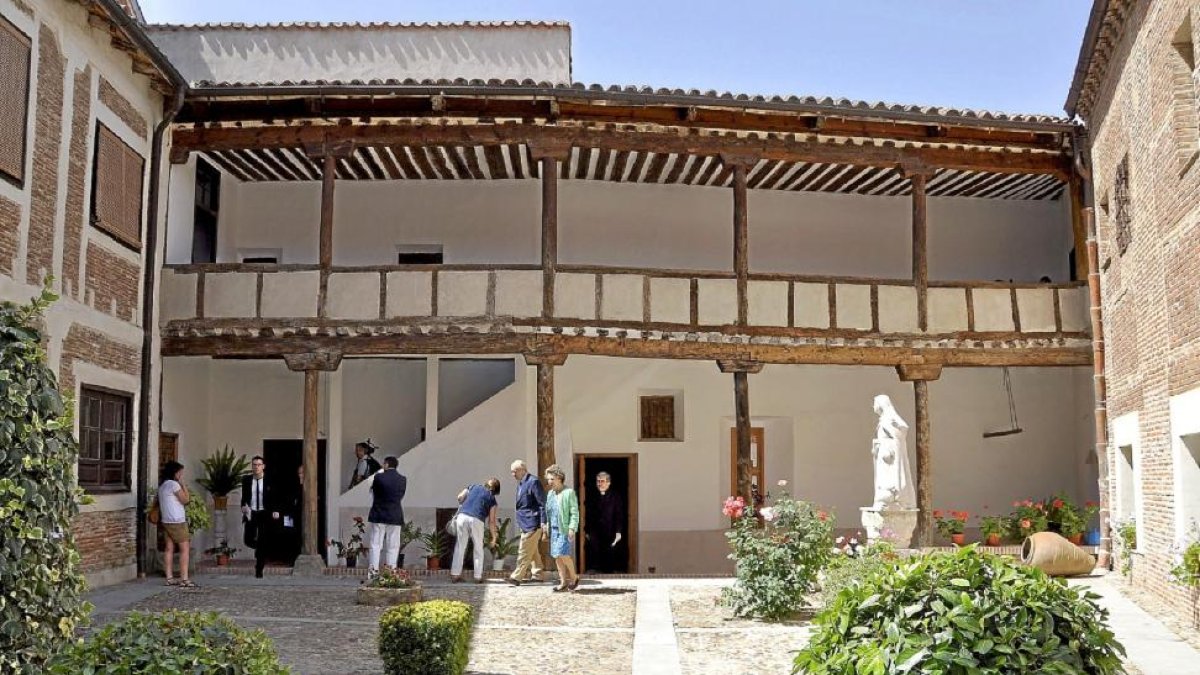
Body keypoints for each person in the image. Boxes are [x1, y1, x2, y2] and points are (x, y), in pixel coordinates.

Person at [451, 478, 499, 584]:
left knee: (460, 546)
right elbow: (491, 521)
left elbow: (459, 497)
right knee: (478, 548)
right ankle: (477, 577)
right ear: (495, 490)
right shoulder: (492, 499)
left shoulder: (473, 486)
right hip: (477, 520)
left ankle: (455, 574)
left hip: (462, 517)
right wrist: (494, 537)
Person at [506, 459, 546, 586]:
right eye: (512, 472)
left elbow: (542, 503)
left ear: (523, 469)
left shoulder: (533, 482)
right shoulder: (522, 483)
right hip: (525, 521)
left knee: (524, 550)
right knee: (532, 550)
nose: (513, 474)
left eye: (515, 471)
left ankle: (516, 577)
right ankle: (538, 574)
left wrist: (543, 522)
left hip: (532, 522)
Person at [241, 455, 280, 578]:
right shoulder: (246, 480)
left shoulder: (270, 480)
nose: (256, 467)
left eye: (259, 465)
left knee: (263, 540)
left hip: (264, 513)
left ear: (263, 466)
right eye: (254, 465)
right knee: (248, 539)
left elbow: (275, 497)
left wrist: (276, 510)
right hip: (251, 513)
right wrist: (243, 507)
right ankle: (260, 549)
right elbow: (244, 498)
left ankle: (259, 569)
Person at [367, 456, 407, 576]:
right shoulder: (402, 479)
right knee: (393, 546)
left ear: (386, 464)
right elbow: (400, 496)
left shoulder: (379, 477)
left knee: (375, 544)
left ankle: (373, 574)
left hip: (379, 514)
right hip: (395, 514)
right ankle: (391, 573)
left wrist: (379, 472)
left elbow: (372, 490)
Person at [158, 461, 196, 588]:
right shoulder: (174, 485)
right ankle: (184, 579)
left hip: (166, 520)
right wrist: (183, 485)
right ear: (175, 473)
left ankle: (169, 577)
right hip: (177, 521)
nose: (181, 474)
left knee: (169, 549)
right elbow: (185, 500)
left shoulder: (163, 485)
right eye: (180, 472)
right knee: (185, 549)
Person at [543, 464, 580, 592]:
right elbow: (548, 512)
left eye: (552, 479)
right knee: (556, 556)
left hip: (564, 529)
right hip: (553, 529)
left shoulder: (568, 493)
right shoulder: (550, 494)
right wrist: (546, 526)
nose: (549, 482)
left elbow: (574, 512)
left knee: (563, 554)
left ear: (559, 478)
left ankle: (574, 577)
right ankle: (563, 582)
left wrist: (572, 528)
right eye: (548, 479)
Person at [585, 471, 626, 573]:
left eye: (602, 481)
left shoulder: (615, 496)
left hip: (610, 529)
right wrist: (587, 530)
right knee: (594, 550)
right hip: (595, 530)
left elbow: (619, 514)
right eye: (598, 481)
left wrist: (618, 531)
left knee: (610, 552)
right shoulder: (592, 496)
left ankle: (610, 572)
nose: (600, 484)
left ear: (608, 483)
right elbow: (588, 514)